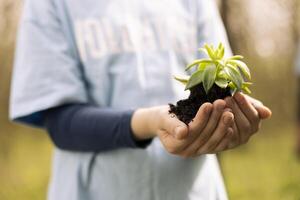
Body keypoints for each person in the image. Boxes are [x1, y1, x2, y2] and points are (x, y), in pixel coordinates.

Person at [9, 0, 271, 199]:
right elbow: (62, 123)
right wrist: (149, 122)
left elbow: (221, 78)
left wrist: (228, 121)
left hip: (192, 190)